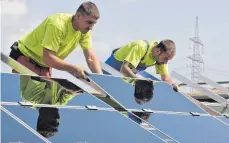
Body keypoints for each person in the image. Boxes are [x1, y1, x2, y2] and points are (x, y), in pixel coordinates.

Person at [9, 1, 102, 79]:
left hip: (44, 66)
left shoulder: (85, 31)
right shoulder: (57, 24)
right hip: (26, 57)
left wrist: (102, 81)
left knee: (44, 99)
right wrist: (74, 68)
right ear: (78, 16)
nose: (91, 27)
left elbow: (91, 58)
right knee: (24, 97)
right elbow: (48, 58)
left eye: (94, 24)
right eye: (89, 22)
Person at [105, 39, 179, 93]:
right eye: (166, 58)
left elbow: (165, 78)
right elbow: (124, 69)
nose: (166, 62)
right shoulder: (141, 47)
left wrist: (173, 85)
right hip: (108, 72)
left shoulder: (160, 58)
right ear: (158, 51)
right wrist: (140, 81)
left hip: (124, 77)